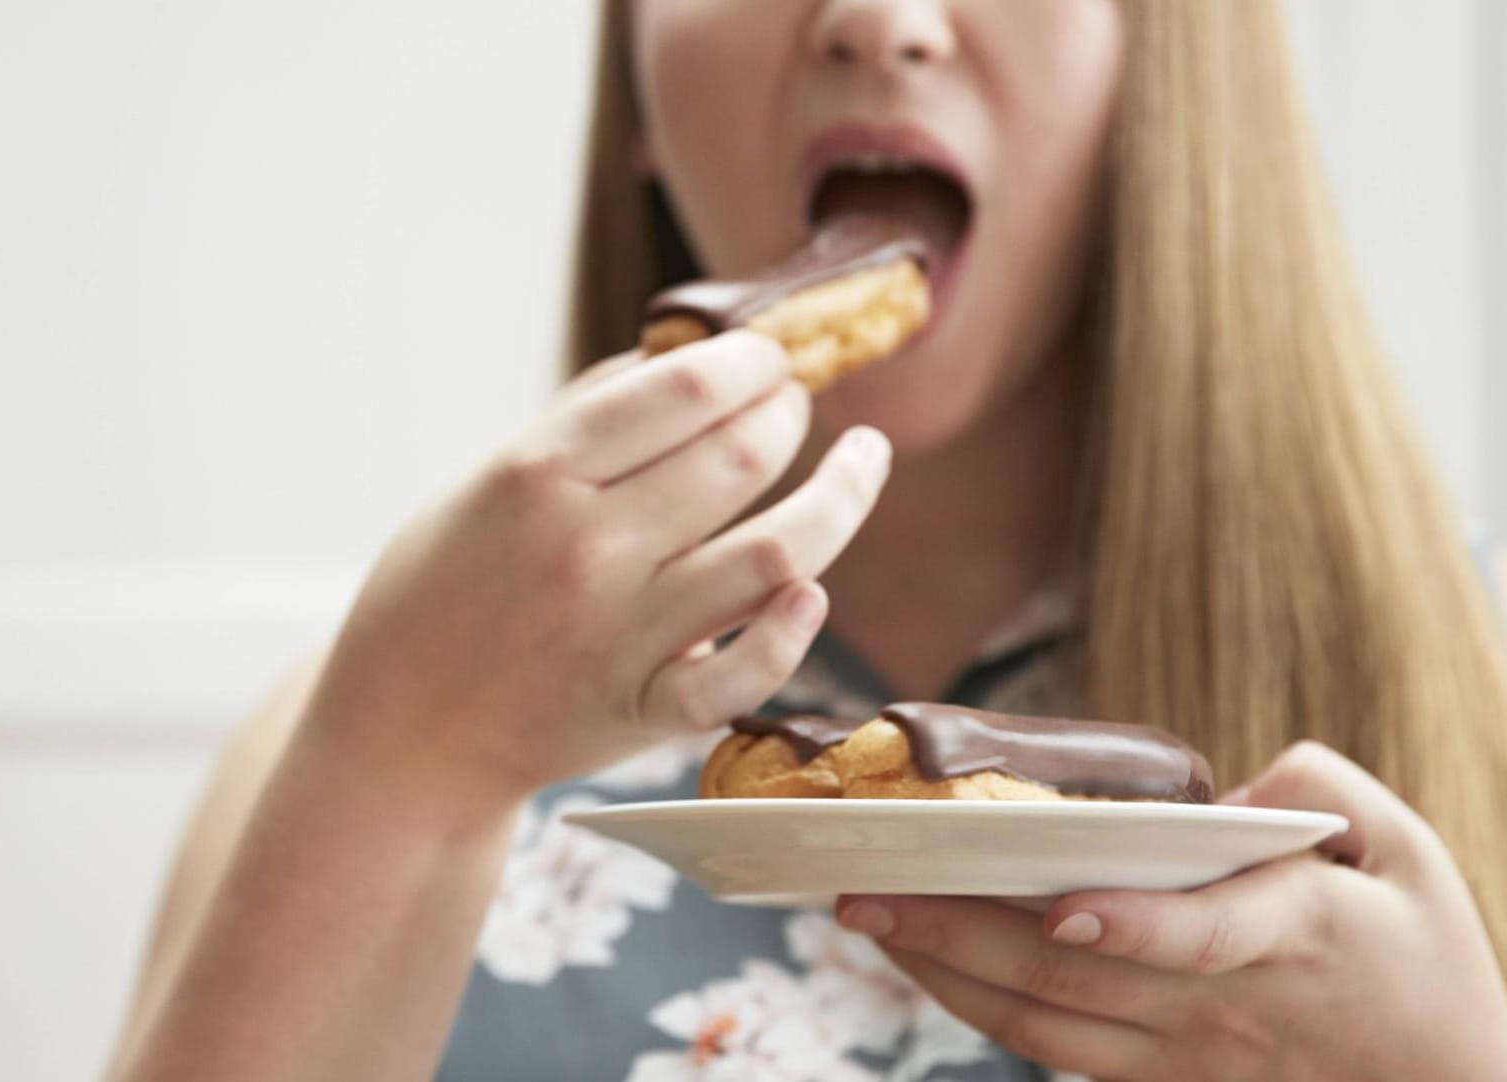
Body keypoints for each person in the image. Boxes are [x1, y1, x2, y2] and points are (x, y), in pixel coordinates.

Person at [107, 1, 1507, 1079]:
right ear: (636, 92)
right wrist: (401, 769)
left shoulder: (1480, 699)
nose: (875, 17)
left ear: (1169, 68)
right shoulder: (360, 745)